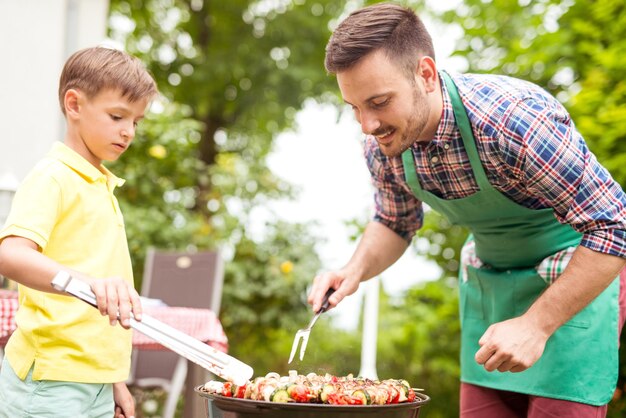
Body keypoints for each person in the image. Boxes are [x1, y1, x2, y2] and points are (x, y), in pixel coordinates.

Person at [307, 3, 626, 417]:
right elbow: (395, 221)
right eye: (354, 107)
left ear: (425, 74)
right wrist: (353, 272)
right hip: (491, 292)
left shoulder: (512, 122)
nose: (367, 125)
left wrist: (536, 324)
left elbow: (614, 226)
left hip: (572, 282)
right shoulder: (383, 145)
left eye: (379, 102)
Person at [0, 46, 158, 418]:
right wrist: (89, 282)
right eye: (117, 116)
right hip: (51, 381)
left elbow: (95, 314)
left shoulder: (100, 184)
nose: (128, 131)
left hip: (94, 381)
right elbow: (11, 254)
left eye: (136, 121)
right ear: (74, 105)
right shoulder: (53, 176)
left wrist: (113, 380)